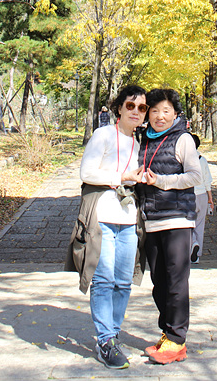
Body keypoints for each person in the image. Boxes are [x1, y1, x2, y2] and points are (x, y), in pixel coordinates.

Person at [65, 85, 147, 370]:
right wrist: (121, 176)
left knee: (123, 281)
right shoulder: (103, 135)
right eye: (130, 106)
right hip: (102, 217)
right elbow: (86, 172)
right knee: (103, 280)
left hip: (128, 219)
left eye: (141, 108)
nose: (136, 112)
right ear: (119, 108)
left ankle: (113, 334)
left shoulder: (139, 143)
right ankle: (105, 341)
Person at [136, 88, 201, 365]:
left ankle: (177, 339)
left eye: (166, 111)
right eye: (154, 111)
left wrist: (162, 181)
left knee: (176, 281)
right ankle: (167, 333)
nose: (160, 116)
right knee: (159, 282)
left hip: (177, 219)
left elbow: (195, 176)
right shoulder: (144, 139)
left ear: (175, 114)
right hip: (152, 220)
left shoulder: (183, 138)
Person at [190, 135, 214, 264]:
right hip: (202, 195)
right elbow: (207, 180)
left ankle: (192, 243)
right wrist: (210, 198)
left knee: (187, 225)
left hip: (188, 196)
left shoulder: (184, 160)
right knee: (200, 225)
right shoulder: (202, 160)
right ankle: (197, 255)